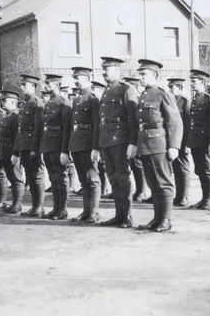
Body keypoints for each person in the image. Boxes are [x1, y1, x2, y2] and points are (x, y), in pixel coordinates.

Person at [130, 59, 183, 232]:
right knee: (153, 184)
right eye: (140, 74)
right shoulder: (144, 95)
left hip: (159, 145)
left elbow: (175, 122)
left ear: (154, 75)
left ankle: (166, 220)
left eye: (143, 74)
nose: (141, 78)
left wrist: (174, 146)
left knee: (164, 183)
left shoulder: (163, 94)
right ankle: (157, 218)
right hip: (145, 145)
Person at [98, 57, 139, 229]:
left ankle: (127, 217)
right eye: (103, 69)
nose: (104, 72)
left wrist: (133, 143)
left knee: (123, 177)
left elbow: (134, 119)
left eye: (107, 69)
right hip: (106, 140)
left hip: (120, 140)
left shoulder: (126, 89)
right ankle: (118, 214)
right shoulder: (106, 90)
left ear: (116, 70)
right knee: (113, 178)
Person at [69, 67, 102, 223]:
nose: (76, 81)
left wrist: (95, 147)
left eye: (79, 78)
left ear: (87, 79)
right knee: (83, 180)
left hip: (88, 143)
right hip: (77, 143)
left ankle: (94, 212)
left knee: (92, 178)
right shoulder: (76, 100)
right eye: (75, 78)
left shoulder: (93, 99)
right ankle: (86, 211)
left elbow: (96, 125)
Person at [12, 74, 46, 217]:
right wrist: (17, 150)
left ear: (33, 86)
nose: (21, 87)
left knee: (37, 175)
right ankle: (34, 206)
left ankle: (39, 207)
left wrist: (34, 148)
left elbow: (38, 128)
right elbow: (20, 129)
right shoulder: (25, 103)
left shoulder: (37, 103)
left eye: (24, 85)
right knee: (30, 176)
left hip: (33, 146)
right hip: (24, 145)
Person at [40, 74, 72, 220]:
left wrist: (64, 151)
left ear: (57, 85)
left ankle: (63, 210)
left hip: (58, 145)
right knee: (53, 178)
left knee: (61, 177)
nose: (46, 86)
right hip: (48, 145)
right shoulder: (49, 103)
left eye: (49, 84)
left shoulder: (63, 103)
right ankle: (56, 208)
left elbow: (66, 129)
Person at [187, 69, 210, 210]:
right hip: (195, 139)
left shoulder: (209, 99)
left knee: (207, 169)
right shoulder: (194, 99)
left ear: (202, 82)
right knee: (199, 169)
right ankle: (204, 199)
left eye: (194, 81)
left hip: (205, 139)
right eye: (191, 81)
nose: (192, 84)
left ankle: (209, 200)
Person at [0, 91, 26, 214]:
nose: (2, 102)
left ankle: (17, 204)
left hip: (12, 151)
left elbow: (18, 136)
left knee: (16, 178)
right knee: (11, 177)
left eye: (5, 100)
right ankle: (14, 203)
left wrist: (17, 153)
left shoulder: (16, 116)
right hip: (5, 150)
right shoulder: (6, 115)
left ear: (13, 102)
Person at [123, 77, 149, 203]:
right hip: (129, 133)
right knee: (134, 164)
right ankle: (139, 190)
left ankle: (142, 191)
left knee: (138, 164)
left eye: (132, 86)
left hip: (138, 134)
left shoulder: (138, 99)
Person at [168, 78, 191, 207]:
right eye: (169, 88)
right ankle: (178, 196)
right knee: (176, 169)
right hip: (172, 141)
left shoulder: (185, 102)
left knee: (183, 169)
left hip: (182, 141)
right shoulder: (169, 101)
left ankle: (184, 197)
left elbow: (188, 125)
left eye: (172, 88)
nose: (170, 90)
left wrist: (187, 143)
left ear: (180, 89)